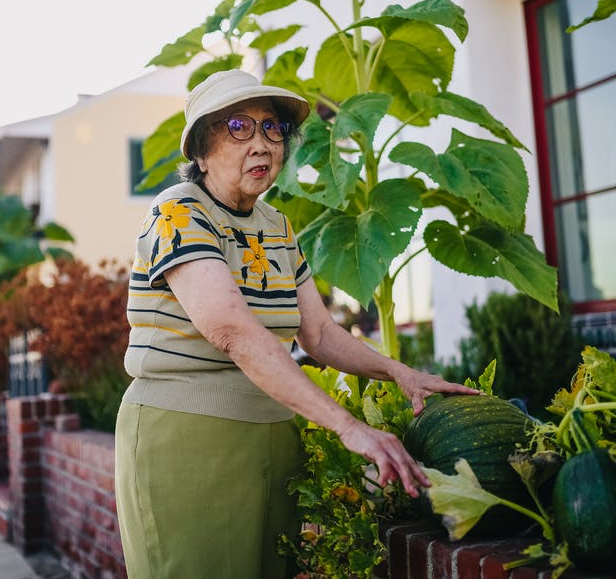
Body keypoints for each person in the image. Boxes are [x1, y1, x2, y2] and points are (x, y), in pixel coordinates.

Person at [114, 69, 479, 578]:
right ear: (200, 150)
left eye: (273, 128)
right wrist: (348, 427)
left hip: (274, 437)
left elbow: (320, 333)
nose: (262, 143)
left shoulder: (276, 226)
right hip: (186, 440)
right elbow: (233, 332)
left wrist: (401, 373)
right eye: (238, 127)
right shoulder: (178, 212)